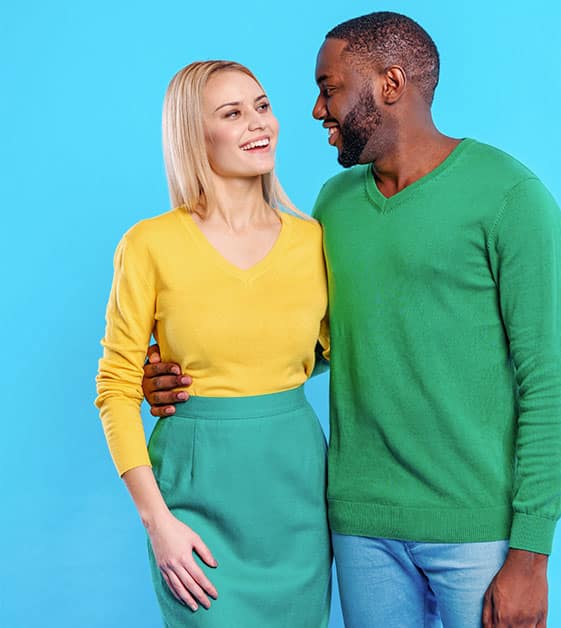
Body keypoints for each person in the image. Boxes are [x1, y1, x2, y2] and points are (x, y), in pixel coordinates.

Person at [144, 12, 561, 628]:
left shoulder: (511, 199)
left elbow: (553, 381)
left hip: (475, 531)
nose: (317, 110)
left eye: (329, 88)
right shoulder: (335, 205)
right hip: (358, 529)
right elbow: (320, 342)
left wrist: (531, 553)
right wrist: (179, 372)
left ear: (390, 84)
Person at [97, 60, 331, 626]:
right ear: (193, 134)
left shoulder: (313, 241)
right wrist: (159, 525)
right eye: (232, 113)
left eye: (262, 106)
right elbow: (115, 390)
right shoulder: (149, 244)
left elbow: (328, 352)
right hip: (194, 498)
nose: (259, 124)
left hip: (297, 493)